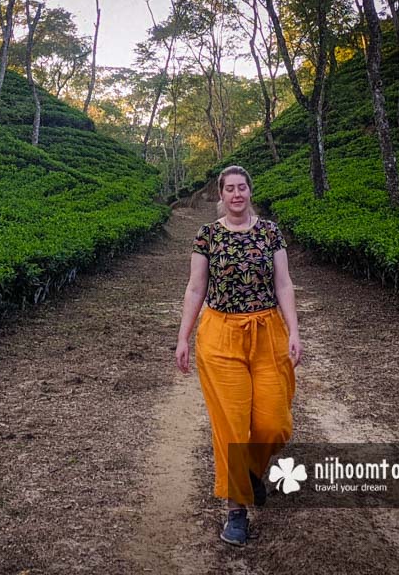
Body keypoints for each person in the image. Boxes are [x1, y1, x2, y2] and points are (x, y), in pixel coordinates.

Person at [175, 165, 302, 546]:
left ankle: (249, 470)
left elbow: (283, 283)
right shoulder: (208, 236)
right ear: (221, 194)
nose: (236, 194)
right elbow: (196, 289)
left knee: (274, 423)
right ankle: (235, 510)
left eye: (242, 187)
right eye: (229, 188)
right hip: (220, 337)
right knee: (230, 426)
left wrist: (295, 330)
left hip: (267, 333)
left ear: (250, 191)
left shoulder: (269, 232)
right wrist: (183, 337)